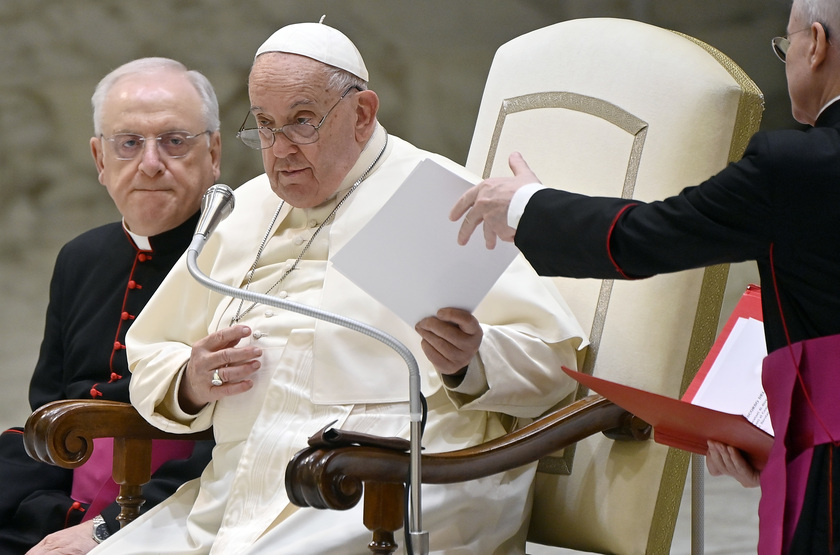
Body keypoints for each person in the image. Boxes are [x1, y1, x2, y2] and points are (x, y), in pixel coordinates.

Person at [85, 22, 587, 555]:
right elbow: (151, 352)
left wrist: (471, 359)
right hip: (236, 488)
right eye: (264, 125)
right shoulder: (246, 210)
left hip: (386, 491)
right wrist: (191, 379)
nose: (279, 149)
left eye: (302, 121)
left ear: (362, 114)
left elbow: (553, 365)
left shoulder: (440, 197)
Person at [451, 1, 840, 554]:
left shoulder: (797, 167)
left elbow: (648, 236)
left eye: (786, 46)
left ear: (817, 45)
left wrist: (526, 207)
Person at [0, 57, 221, 555]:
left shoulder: (245, 262)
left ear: (214, 152)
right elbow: (49, 412)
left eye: (174, 140)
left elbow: (237, 443)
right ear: (100, 160)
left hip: (168, 508)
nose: (150, 162)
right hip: (57, 497)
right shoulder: (80, 257)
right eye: (128, 143)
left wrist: (109, 528)